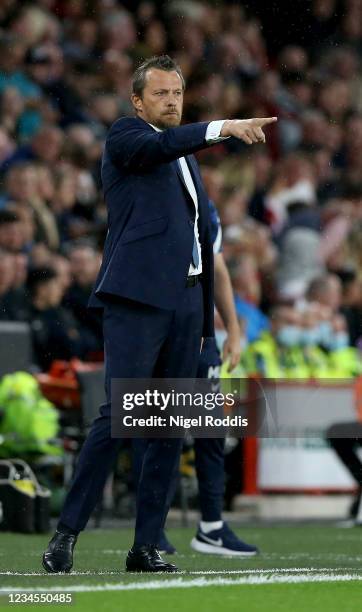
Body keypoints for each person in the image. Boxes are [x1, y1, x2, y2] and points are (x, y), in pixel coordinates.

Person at [42, 54, 276, 574]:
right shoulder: (127, 137)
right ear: (138, 101)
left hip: (185, 304)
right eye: (162, 94)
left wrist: (212, 316)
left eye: (177, 93)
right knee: (121, 417)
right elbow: (164, 144)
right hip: (137, 299)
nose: (172, 101)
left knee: (170, 424)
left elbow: (199, 238)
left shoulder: (185, 158)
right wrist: (223, 128)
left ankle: (146, 546)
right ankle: (66, 533)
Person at [134, 199, 259, 556]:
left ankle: (212, 526)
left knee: (210, 428)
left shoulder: (204, 207)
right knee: (158, 426)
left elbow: (216, 266)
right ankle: (151, 528)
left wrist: (232, 329)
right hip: (157, 327)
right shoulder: (145, 196)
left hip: (198, 331)